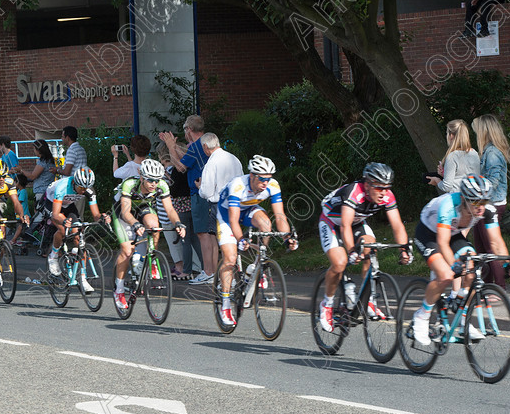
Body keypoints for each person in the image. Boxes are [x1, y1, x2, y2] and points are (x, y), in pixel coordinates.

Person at [411, 175, 509, 345]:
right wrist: (454, 265)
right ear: (464, 199)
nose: (480, 207)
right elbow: (442, 242)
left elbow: (495, 241)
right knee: (446, 275)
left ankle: (463, 319)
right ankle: (421, 316)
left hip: (454, 234)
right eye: (475, 202)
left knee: (472, 269)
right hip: (429, 234)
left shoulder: (487, 209)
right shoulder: (448, 205)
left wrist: (507, 263)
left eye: (484, 201)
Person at [317, 163, 411, 333]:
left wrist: (403, 249)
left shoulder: (387, 196)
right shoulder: (354, 192)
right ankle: (327, 305)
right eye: (379, 188)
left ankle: (368, 300)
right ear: (367, 185)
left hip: (356, 222)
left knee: (370, 247)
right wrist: (352, 250)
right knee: (339, 263)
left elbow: (397, 225)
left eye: (387, 188)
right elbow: (345, 225)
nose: (384, 192)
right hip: (332, 222)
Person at [216, 156, 297, 326]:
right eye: (262, 178)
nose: (266, 183)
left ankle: (259, 264)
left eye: (268, 178)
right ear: (252, 175)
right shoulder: (238, 185)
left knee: (266, 223)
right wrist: (240, 239)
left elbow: (280, 216)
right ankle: (225, 305)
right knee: (230, 258)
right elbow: (233, 220)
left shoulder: (272, 185)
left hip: (249, 210)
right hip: (227, 215)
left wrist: (287, 236)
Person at [112, 159, 186, 310]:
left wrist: (178, 223)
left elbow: (170, 210)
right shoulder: (130, 184)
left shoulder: (162, 186)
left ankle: (151, 257)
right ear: (141, 177)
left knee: (154, 226)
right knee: (127, 251)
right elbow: (126, 213)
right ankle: (118, 290)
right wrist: (135, 224)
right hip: (123, 212)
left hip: (144, 208)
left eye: (157, 180)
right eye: (150, 180)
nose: (154, 184)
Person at [160, 115, 215, 285]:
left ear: (188, 130)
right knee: (209, 235)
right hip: (209, 193)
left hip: (199, 194)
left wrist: (170, 146)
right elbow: (186, 157)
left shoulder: (197, 145)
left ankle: (208, 272)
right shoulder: (202, 145)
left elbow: (180, 166)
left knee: (202, 234)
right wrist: (175, 146)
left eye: (185, 130)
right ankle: (212, 271)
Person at [45, 167, 111, 292]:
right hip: (52, 204)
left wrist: (103, 217)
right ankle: (53, 256)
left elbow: (96, 215)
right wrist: (64, 221)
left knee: (78, 238)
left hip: (68, 205)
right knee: (62, 229)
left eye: (85, 188)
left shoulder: (88, 190)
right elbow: (56, 214)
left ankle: (83, 278)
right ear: (74, 182)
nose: (83, 191)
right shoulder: (63, 186)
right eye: (81, 188)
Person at [471, 114, 510, 285]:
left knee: (490, 248)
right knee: (481, 248)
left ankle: (499, 287)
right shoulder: (489, 151)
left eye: (477, 131)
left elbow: (493, 181)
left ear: (484, 132)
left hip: (490, 204)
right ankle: (486, 286)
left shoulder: (493, 153)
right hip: (485, 203)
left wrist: (477, 190)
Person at [427, 119, 480, 193]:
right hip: (474, 198)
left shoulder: (452, 156)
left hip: (458, 199)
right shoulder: (474, 153)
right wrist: (445, 175)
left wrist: (437, 180)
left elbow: (447, 187)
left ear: (451, 135)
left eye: (447, 133)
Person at [10, 173, 31, 246]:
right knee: (19, 227)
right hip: (18, 214)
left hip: (24, 214)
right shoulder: (18, 191)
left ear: (18, 182)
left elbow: (19, 201)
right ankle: (19, 242)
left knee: (20, 227)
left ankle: (13, 240)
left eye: (15, 182)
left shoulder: (23, 191)